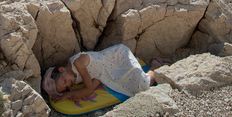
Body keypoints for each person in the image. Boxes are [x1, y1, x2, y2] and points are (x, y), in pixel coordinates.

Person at [42, 43, 171, 103]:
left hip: (117, 56)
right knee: (137, 90)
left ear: (61, 69)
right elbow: (93, 84)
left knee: (145, 84)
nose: (68, 85)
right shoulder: (75, 78)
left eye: (64, 82)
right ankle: (150, 68)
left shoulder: (78, 63)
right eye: (66, 88)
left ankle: (156, 64)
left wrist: (68, 95)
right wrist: (78, 92)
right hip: (109, 73)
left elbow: (89, 90)